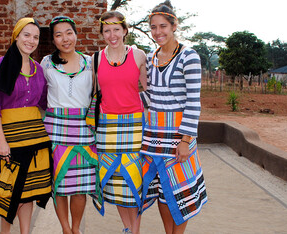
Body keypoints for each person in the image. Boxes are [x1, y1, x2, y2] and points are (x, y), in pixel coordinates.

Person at [139, 1, 207, 233]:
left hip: (178, 135)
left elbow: (193, 102)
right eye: (154, 27)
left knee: (180, 191)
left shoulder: (189, 57)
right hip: (154, 134)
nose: (158, 32)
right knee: (163, 191)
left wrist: (186, 140)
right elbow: (151, 96)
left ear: (174, 25)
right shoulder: (151, 58)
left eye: (163, 26)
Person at [0, 17, 52, 234]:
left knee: (29, 190)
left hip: (36, 138)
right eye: (26, 35)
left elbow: (45, 103)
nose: (31, 41)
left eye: (36, 37)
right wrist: (1, 141)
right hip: (10, 137)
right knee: (9, 191)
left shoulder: (38, 69)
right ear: (16, 35)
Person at [41, 16, 99, 234]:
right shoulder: (46, 62)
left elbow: (97, 94)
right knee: (60, 184)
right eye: (58, 34)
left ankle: (76, 228)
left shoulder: (90, 62)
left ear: (76, 34)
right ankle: (65, 229)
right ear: (53, 40)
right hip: (55, 131)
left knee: (80, 186)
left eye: (68, 32)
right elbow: (40, 94)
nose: (65, 38)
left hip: (84, 131)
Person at [92, 11, 147, 234]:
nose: (112, 34)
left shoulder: (139, 56)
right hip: (107, 128)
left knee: (133, 180)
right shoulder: (95, 59)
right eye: (107, 30)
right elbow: (96, 94)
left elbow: (149, 91)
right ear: (102, 33)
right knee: (115, 184)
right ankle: (127, 228)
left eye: (116, 29)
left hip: (134, 126)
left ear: (125, 30)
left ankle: (135, 231)